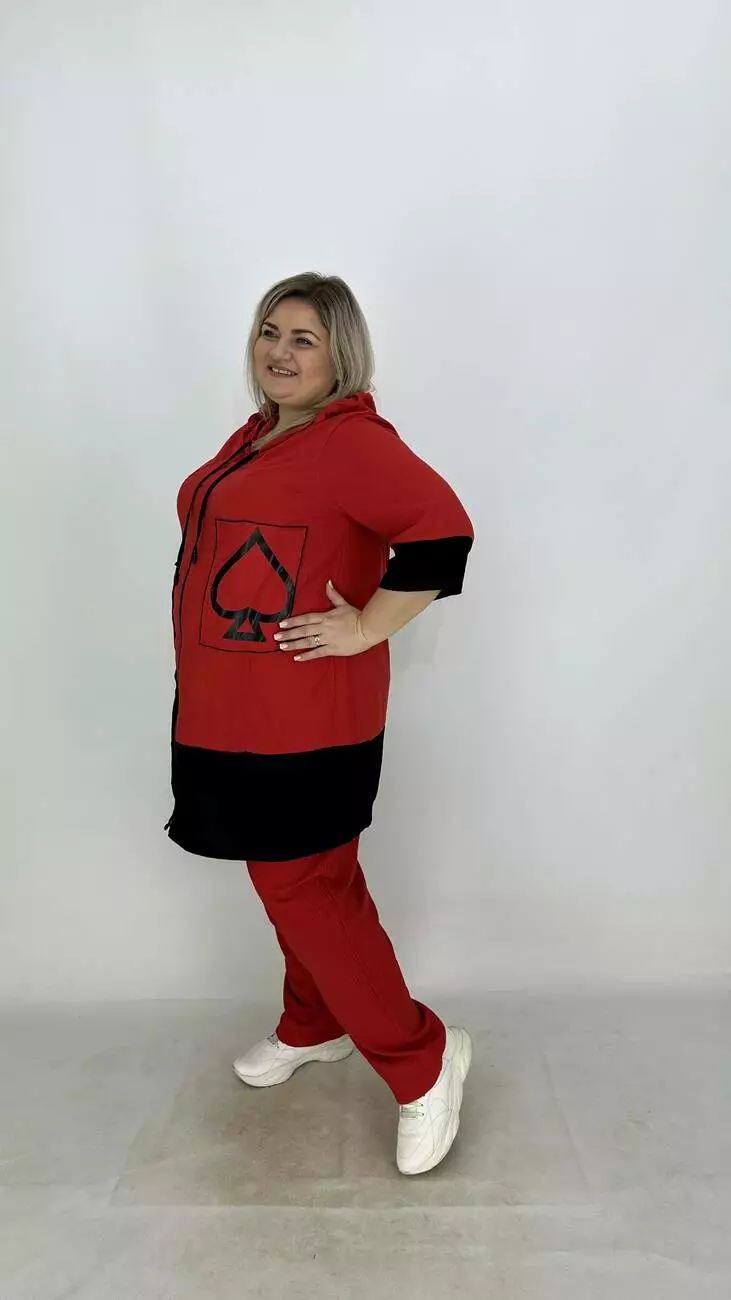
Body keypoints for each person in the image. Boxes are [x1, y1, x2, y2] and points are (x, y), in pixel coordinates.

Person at [166, 272, 474, 1175]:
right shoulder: (261, 433)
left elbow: (442, 534)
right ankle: (313, 1021)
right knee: (316, 879)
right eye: (270, 331)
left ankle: (422, 1060)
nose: (279, 350)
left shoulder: (351, 443)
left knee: (299, 883)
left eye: (303, 337)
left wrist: (367, 626)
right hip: (232, 708)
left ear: (342, 354)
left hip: (305, 720)